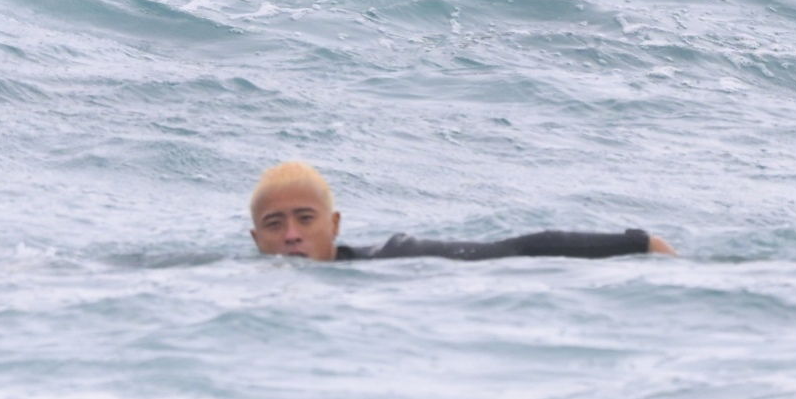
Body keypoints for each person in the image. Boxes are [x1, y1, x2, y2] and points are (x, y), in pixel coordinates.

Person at [249, 162, 676, 261]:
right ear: (255, 239)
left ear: (334, 224)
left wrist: (639, 245)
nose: (291, 235)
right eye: (274, 224)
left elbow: (512, 250)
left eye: (305, 219)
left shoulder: (395, 257)